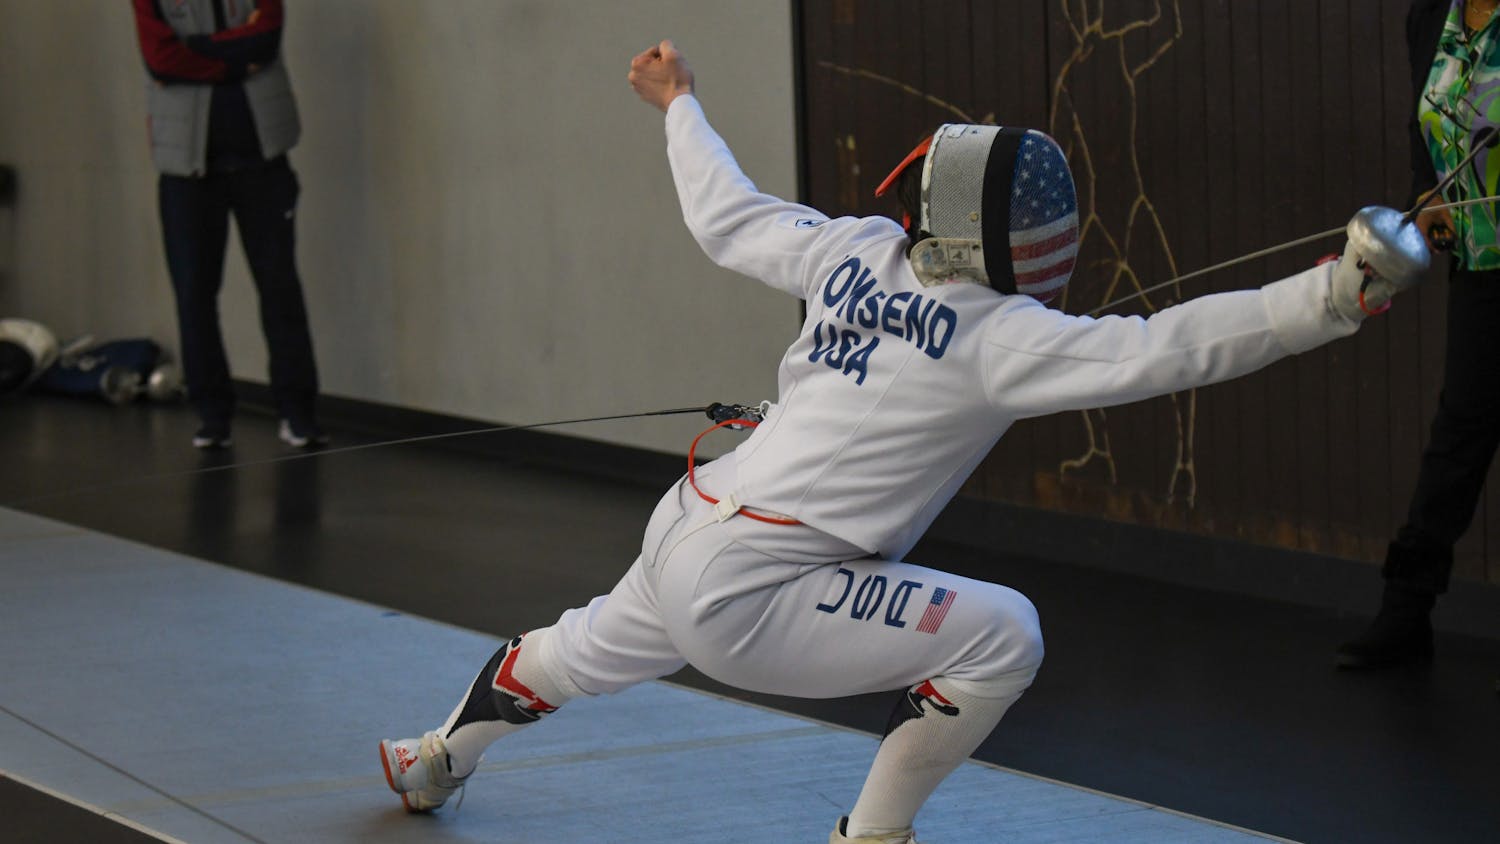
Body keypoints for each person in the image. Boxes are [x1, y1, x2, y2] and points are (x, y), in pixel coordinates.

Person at [379, 41, 1427, 843]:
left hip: (685, 527)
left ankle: (432, 760)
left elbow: (723, 216)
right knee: (1004, 637)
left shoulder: (854, 249)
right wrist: (1332, 298)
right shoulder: (1002, 336)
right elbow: (1168, 349)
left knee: (565, 655)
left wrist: (680, 101)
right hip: (757, 585)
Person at [1336, 0, 1500, 672]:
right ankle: (1406, 612)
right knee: (1460, 433)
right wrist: (1426, 191)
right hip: (1482, 261)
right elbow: (1424, 124)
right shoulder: (1432, 13)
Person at [130, 0, 327, 450]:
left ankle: (297, 413)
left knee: (280, 289)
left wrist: (197, 49)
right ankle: (213, 415)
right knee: (194, 295)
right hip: (187, 171)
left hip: (262, 160)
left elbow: (265, 38)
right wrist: (232, 62)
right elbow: (161, 57)